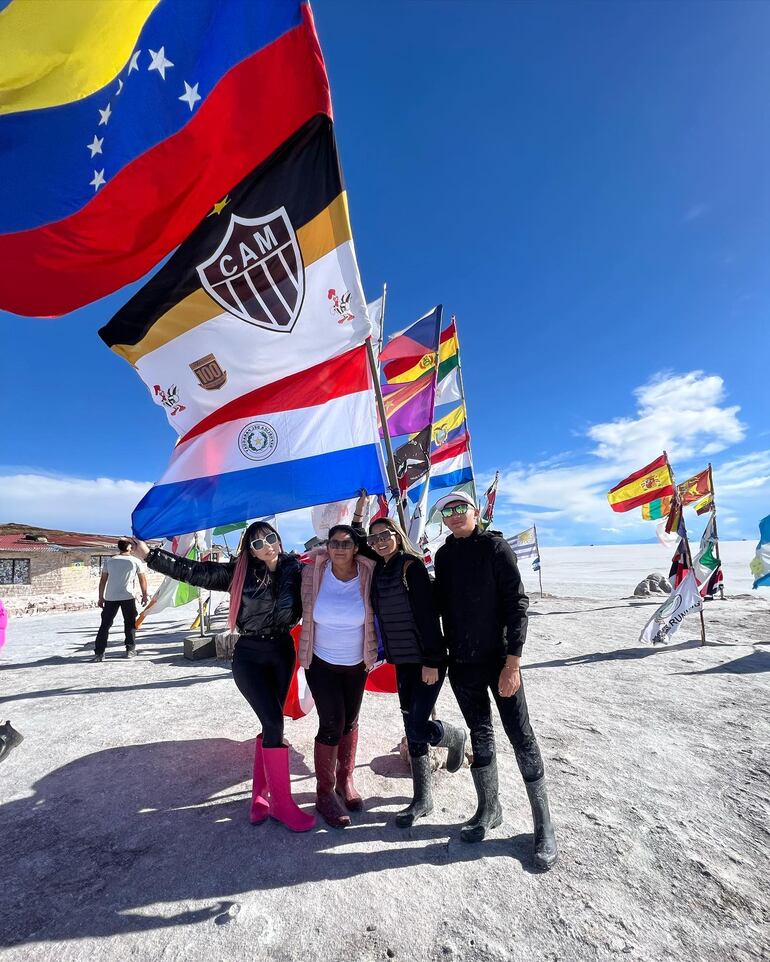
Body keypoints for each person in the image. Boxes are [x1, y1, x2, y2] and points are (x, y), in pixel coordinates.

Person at [133, 523, 315, 833]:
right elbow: (192, 571)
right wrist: (150, 555)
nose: (267, 545)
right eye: (258, 543)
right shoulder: (237, 573)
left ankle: (260, 795)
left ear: (279, 540)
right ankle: (282, 805)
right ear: (249, 549)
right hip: (249, 655)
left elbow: (335, 565)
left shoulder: (295, 569)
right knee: (273, 723)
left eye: (271, 538)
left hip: (283, 651)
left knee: (270, 723)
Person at [433, 491, 558, 871]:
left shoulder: (496, 548)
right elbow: (441, 605)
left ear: (475, 512)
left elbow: (516, 606)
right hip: (463, 665)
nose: (454, 516)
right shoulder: (444, 555)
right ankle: (489, 809)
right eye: (447, 511)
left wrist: (513, 663)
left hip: (499, 661)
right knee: (481, 734)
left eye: (460, 509)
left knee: (520, 735)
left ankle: (543, 825)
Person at [367, 516, 467, 827]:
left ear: (397, 534)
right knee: (411, 726)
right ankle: (422, 798)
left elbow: (427, 617)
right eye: (374, 539)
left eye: (386, 535)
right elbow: (352, 541)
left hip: (426, 660)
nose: (380, 541)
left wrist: (432, 660)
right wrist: (359, 512)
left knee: (418, 726)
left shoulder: (411, 566)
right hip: (402, 662)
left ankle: (455, 736)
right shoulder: (379, 568)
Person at [298, 524, 377, 828]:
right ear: (327, 546)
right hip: (321, 662)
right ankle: (324, 793)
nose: (339, 548)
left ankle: (346, 781)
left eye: (346, 544)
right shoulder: (314, 572)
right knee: (331, 723)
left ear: (356, 547)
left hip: (357, 664)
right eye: (334, 543)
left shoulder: (369, 572)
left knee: (351, 721)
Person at [93, 538, 149, 661]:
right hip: (127, 596)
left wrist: (100, 597)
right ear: (129, 547)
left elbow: (103, 580)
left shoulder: (110, 561)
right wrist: (145, 595)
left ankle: (99, 652)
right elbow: (142, 580)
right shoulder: (135, 561)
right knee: (129, 624)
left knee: (105, 625)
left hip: (110, 597)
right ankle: (130, 650)